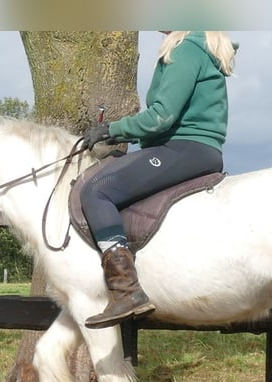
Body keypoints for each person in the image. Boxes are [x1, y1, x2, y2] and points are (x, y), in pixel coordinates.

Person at [79, 31, 237, 329]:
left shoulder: (186, 48)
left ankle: (126, 290)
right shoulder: (198, 47)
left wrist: (111, 129)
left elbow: (161, 117)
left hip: (183, 148)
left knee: (97, 191)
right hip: (193, 149)